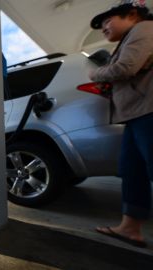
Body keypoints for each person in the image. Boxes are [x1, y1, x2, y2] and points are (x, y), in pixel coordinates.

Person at [89, 0, 153, 248]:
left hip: (148, 111)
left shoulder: (143, 28)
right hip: (136, 114)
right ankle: (130, 228)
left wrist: (96, 74)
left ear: (132, 14)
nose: (104, 27)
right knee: (131, 169)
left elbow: (126, 68)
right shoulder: (131, 37)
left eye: (107, 21)